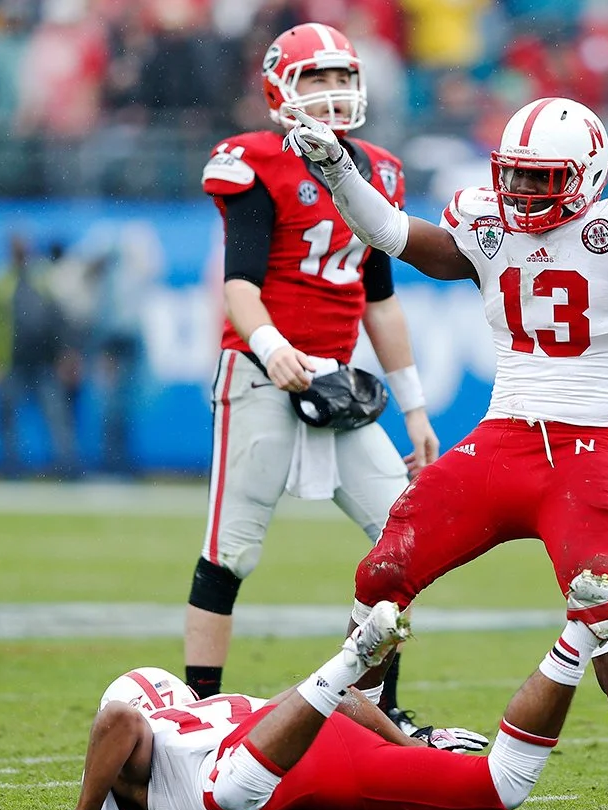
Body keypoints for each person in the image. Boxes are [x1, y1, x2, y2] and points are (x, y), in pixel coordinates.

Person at [282, 95, 608, 810]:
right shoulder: (486, 220)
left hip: (582, 449)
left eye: (543, 179)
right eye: (518, 177)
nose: (525, 194)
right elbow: (389, 233)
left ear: (588, 174)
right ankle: (364, 733)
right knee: (381, 571)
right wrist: (340, 169)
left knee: (595, 606)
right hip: (499, 441)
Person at [185, 24, 438, 731]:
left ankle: (377, 708)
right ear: (280, 91)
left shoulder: (379, 171)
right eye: (315, 79)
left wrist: (415, 409)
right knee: (230, 552)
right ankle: (200, 712)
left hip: (337, 381)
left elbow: (380, 299)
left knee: (403, 538)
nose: (331, 93)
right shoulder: (255, 162)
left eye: (340, 78)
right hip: (263, 375)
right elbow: (239, 284)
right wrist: (270, 347)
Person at [30, 577, 608, 810]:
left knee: (222, 800)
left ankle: (355, 650)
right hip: (315, 738)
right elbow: (344, 711)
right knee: (500, 786)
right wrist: (409, 752)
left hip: (264, 765)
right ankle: (581, 628)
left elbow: (118, 721)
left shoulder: (144, 735)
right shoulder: (204, 713)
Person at [0, 231, 81, 480]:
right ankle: (12, 467)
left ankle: (66, 466)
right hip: (10, 360)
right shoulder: (0, 280)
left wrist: (66, 352)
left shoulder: (43, 277)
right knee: (8, 416)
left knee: (56, 415)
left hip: (43, 360)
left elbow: (59, 317)